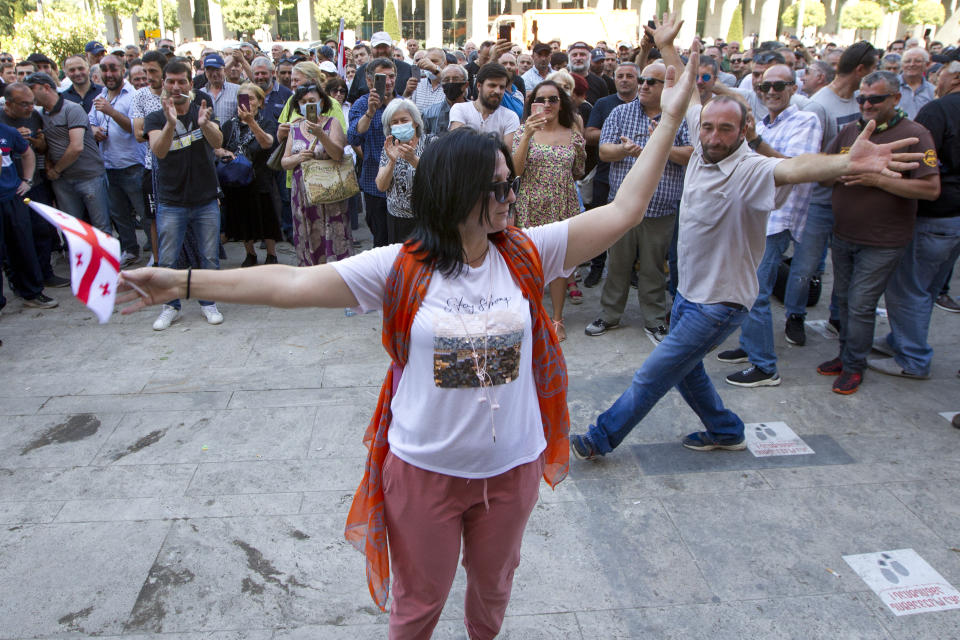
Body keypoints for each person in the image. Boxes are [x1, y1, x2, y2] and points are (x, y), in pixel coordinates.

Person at [118, 47, 704, 639]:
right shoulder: (400, 266)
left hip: (512, 467)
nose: (511, 198)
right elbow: (288, 283)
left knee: (493, 593)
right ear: (458, 192)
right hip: (424, 470)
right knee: (418, 606)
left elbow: (626, 208)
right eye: (498, 189)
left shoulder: (529, 250)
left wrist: (672, 116)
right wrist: (179, 279)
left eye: (510, 185)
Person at [569, 18, 923, 459]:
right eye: (708, 128)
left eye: (725, 130)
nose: (714, 136)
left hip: (720, 303)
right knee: (685, 370)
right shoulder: (701, 147)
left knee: (654, 373)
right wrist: (667, 49)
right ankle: (724, 428)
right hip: (689, 295)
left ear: (745, 131)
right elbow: (687, 93)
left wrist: (847, 163)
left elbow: (795, 168)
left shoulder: (752, 169)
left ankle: (600, 437)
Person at [816, 71, 939, 395]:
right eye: (862, 99)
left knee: (859, 304)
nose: (867, 105)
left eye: (875, 99)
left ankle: (855, 366)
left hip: (883, 241)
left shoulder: (915, 134)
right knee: (843, 301)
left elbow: (930, 189)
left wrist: (879, 180)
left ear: (895, 99)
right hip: (843, 235)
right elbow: (823, 176)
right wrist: (838, 171)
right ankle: (846, 356)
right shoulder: (848, 132)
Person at [716, 64, 822, 387]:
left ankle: (765, 366)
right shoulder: (764, 123)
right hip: (754, 216)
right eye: (765, 87)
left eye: (779, 86)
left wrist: (755, 139)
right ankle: (750, 347)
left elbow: (794, 168)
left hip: (777, 218)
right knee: (747, 288)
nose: (771, 92)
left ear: (794, 87)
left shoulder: (806, 120)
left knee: (757, 292)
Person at [781, 41, 878, 347]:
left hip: (853, 201)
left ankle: (837, 316)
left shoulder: (860, 103)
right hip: (819, 201)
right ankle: (794, 316)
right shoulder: (818, 105)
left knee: (844, 263)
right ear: (861, 69)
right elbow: (806, 157)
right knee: (807, 264)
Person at [587, 62, 692, 344]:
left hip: (660, 210)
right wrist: (625, 149)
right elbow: (604, 151)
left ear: (666, 87)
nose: (644, 85)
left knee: (653, 268)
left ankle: (655, 320)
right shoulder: (621, 112)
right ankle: (609, 315)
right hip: (622, 208)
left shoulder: (679, 118)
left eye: (652, 82)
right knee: (617, 265)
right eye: (643, 80)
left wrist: (662, 142)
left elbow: (692, 155)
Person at [873, 55, 960, 379]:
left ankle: (912, 358)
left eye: (940, 75)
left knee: (907, 288)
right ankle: (901, 340)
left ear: (952, 79)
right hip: (951, 220)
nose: (935, 79)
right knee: (927, 287)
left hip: (934, 216)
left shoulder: (938, 111)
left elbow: (917, 163)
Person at [142, 60, 225, 331]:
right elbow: (160, 150)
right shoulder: (156, 117)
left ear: (191, 83)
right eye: (170, 82)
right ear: (164, 84)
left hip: (205, 198)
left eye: (181, 82)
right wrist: (170, 123)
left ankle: (208, 302)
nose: (176, 87)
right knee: (168, 258)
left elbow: (218, 142)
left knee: (208, 256)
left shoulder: (202, 109)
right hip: (171, 200)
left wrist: (204, 124)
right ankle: (171, 307)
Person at [512, 80, 586, 341]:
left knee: (560, 264)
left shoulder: (573, 135)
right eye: (541, 99)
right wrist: (529, 135)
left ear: (561, 102)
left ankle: (556, 318)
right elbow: (516, 171)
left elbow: (579, 172)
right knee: (530, 264)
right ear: (532, 104)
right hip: (530, 205)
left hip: (563, 205)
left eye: (553, 99)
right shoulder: (523, 132)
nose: (547, 105)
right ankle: (530, 315)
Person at [24, 72, 113, 235]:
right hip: (63, 180)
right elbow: (48, 145)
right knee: (72, 229)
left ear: (46, 87)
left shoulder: (72, 108)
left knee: (101, 227)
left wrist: (56, 170)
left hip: (88, 176)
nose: (28, 93)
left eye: (31, 88)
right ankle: (82, 260)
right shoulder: (40, 114)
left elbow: (76, 147)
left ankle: (107, 261)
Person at [581, 61, 642, 290]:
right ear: (614, 79)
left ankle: (631, 271)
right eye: (620, 76)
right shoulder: (604, 103)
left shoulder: (645, 105)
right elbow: (589, 133)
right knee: (600, 226)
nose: (624, 79)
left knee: (632, 226)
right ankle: (597, 266)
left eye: (630, 76)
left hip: (636, 178)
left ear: (638, 80)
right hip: (605, 176)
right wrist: (617, 135)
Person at [1, 82, 67, 289]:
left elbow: (41, 147)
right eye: (24, 105)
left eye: (32, 103)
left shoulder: (35, 115)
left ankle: (45, 273)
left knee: (42, 229)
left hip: (33, 183)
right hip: (8, 188)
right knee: (16, 239)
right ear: (9, 104)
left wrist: (32, 139)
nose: (30, 108)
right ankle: (19, 282)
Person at [283, 84, 352, 265]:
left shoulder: (332, 123)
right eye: (304, 101)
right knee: (306, 235)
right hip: (302, 195)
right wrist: (298, 157)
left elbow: (337, 154)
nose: (308, 104)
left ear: (322, 102)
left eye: (312, 101)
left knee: (333, 237)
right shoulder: (295, 127)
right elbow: (284, 162)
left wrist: (321, 135)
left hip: (329, 192)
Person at [89, 54, 145, 267]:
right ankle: (131, 250)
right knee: (120, 216)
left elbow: (135, 129)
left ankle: (158, 254)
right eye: (104, 69)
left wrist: (111, 111)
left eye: (113, 69)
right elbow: (90, 122)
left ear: (123, 69)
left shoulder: (134, 95)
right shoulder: (101, 95)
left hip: (133, 166)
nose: (109, 74)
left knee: (144, 214)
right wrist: (94, 130)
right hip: (108, 166)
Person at [0, 109, 59, 310]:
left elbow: (27, 153)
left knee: (23, 246)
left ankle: (32, 293)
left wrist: (27, 180)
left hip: (12, 198)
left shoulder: (8, 132)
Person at [217, 82, 280, 267]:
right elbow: (217, 145)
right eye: (242, 98)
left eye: (251, 98)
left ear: (260, 102)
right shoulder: (230, 125)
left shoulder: (267, 122)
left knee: (266, 217)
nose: (246, 102)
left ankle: (271, 254)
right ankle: (250, 253)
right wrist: (224, 153)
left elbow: (267, 143)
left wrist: (251, 121)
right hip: (236, 180)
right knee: (242, 217)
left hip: (260, 177)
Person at [349, 57, 401, 248]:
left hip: (402, 184)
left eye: (392, 76)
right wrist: (371, 112)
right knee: (381, 240)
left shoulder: (403, 103)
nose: (388, 82)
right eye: (382, 77)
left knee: (402, 240)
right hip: (374, 186)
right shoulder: (362, 105)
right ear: (370, 81)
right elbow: (353, 137)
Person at [375, 99, 428, 244]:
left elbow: (438, 178)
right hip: (397, 221)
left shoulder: (431, 143)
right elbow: (381, 186)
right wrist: (392, 161)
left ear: (415, 122)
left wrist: (414, 160)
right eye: (394, 122)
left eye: (404, 120)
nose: (399, 125)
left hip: (426, 219)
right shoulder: (389, 148)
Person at [449, 63, 519, 148]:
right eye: (492, 85)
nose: (497, 91)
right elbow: (457, 145)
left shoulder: (510, 117)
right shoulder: (460, 109)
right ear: (479, 86)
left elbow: (508, 155)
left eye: (502, 87)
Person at [422, 64, 467, 135]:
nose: (451, 82)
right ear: (442, 86)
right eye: (446, 80)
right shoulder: (429, 113)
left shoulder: (475, 111)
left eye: (455, 79)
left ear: (465, 85)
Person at [250, 57, 292, 123]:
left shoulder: (286, 94)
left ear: (272, 73)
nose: (260, 77)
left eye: (263, 73)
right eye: (257, 74)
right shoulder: (247, 94)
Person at [201, 53, 240, 123]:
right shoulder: (200, 93)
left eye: (217, 69)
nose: (214, 74)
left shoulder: (239, 90)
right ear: (205, 73)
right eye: (210, 70)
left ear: (224, 70)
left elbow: (247, 116)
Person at [898, 47, 935, 119]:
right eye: (907, 61)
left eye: (917, 61)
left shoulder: (932, 91)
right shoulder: (890, 86)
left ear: (927, 65)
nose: (912, 64)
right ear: (902, 65)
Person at [410, 47, 447, 113]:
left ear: (445, 63)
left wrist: (434, 69)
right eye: (427, 61)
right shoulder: (419, 84)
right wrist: (407, 92)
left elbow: (450, 82)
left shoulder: (448, 84)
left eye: (434, 61)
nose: (429, 65)